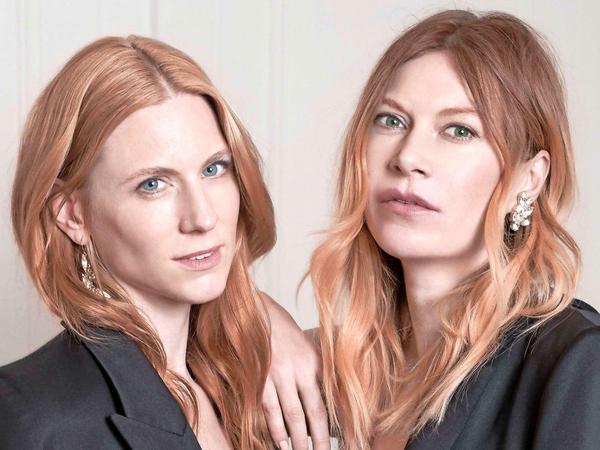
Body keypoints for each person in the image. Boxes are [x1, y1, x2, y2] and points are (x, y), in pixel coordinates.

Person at [264, 9, 600, 450]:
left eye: (458, 130)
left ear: (529, 177)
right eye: (392, 120)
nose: (407, 156)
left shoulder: (576, 363)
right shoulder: (347, 366)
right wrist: (259, 318)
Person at [0, 35, 277, 450]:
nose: (203, 218)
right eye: (153, 184)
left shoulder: (243, 382)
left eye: (213, 169)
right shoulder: (26, 415)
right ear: (73, 215)